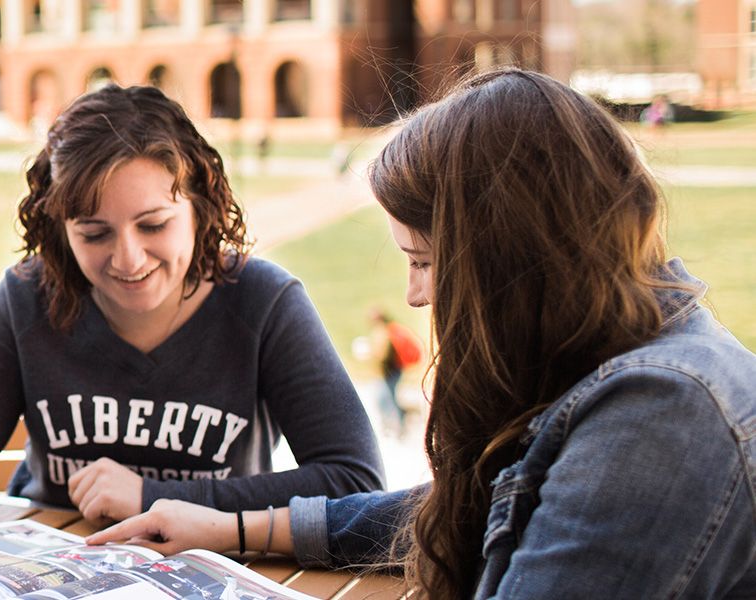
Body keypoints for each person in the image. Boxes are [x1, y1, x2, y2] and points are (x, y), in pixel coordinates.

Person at [87, 68, 756, 598]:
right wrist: (230, 528)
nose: (416, 293)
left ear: (510, 258)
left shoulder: (661, 414)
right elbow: (480, 505)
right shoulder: (616, 356)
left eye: (427, 261)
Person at [0, 84, 384, 572]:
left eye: (154, 224)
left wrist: (153, 495)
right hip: (45, 566)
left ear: (199, 206)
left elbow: (353, 480)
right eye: (94, 233)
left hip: (201, 570)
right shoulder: (27, 296)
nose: (128, 259)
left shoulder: (266, 302)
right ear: (60, 229)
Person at [370, 308, 421, 437]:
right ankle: (398, 423)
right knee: (388, 398)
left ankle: (398, 426)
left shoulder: (384, 333)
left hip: (389, 371)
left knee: (385, 399)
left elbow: (383, 354)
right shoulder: (392, 329)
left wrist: (371, 354)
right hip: (395, 369)